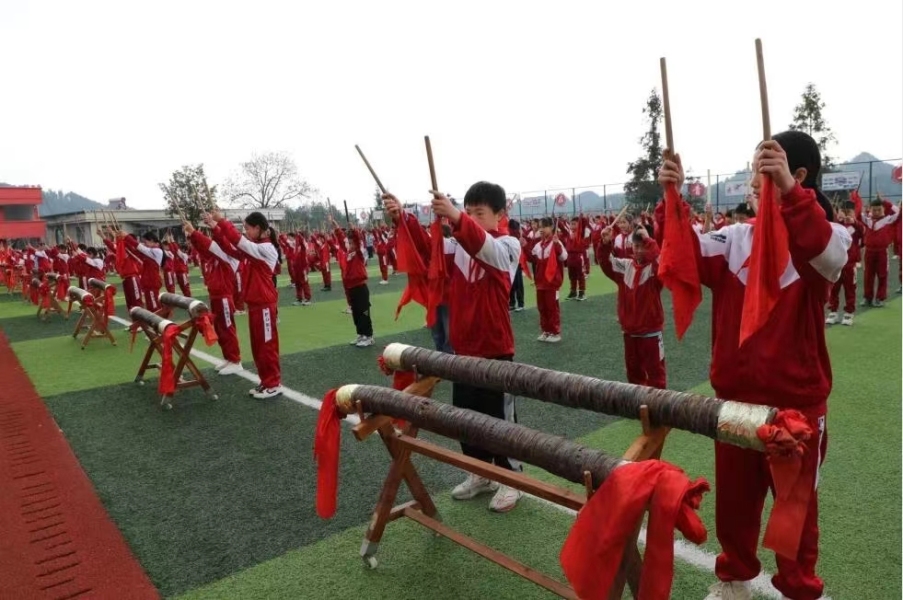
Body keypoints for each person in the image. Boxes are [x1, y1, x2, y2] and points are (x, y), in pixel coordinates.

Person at [657, 130, 851, 600]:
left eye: (761, 169)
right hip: (737, 404)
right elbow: (688, 256)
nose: (751, 180)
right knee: (736, 504)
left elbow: (831, 259)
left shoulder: (826, 233)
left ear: (797, 174)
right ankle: (735, 578)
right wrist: (673, 198)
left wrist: (789, 194)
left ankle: (801, 589)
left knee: (794, 511)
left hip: (797, 408)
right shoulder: (734, 239)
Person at [385, 182, 522, 512]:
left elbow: (484, 247)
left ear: (500, 215)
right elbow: (425, 249)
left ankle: (511, 479)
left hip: (495, 348)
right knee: (467, 419)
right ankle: (479, 473)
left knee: (499, 419)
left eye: (480, 213)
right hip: (463, 350)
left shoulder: (508, 245)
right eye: (469, 211)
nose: (473, 218)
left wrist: (458, 218)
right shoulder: (457, 245)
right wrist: (401, 217)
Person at [211, 211, 282, 400]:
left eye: (248, 228)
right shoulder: (254, 249)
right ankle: (265, 381)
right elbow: (231, 248)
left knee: (267, 346)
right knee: (258, 347)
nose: (245, 231)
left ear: (258, 228)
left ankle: (273, 383)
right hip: (256, 305)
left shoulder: (266, 248)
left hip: (265, 305)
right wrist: (215, 228)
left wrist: (222, 221)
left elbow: (239, 242)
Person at [598, 224, 665, 388]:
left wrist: (647, 239)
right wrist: (605, 244)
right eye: (636, 246)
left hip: (651, 332)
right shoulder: (626, 265)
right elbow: (607, 263)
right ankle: (639, 406)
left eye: (643, 246)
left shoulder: (655, 267)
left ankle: (659, 410)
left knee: (656, 374)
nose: (639, 250)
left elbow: (658, 258)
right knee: (633, 374)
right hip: (629, 332)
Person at [185, 219, 243, 376]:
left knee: (227, 328)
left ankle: (236, 360)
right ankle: (228, 358)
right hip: (216, 296)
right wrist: (193, 237)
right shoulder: (216, 257)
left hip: (224, 297)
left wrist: (194, 232)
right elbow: (204, 249)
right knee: (220, 328)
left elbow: (211, 246)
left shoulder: (229, 255)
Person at [331, 216, 373, 347]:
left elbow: (357, 238)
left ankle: (369, 336)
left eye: (352, 242)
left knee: (364, 312)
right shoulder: (348, 253)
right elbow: (342, 242)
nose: (350, 244)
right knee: (356, 313)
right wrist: (337, 227)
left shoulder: (360, 253)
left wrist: (353, 229)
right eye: (349, 243)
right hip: (351, 288)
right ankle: (360, 335)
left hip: (360, 287)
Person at [530, 217, 567, 342]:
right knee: (542, 307)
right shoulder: (538, 245)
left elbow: (563, 257)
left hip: (552, 282)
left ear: (551, 227)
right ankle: (545, 331)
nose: (541, 230)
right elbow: (532, 258)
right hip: (540, 282)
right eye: (540, 227)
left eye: (544, 227)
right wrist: (524, 245)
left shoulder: (557, 242)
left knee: (552, 307)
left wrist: (557, 245)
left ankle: (555, 332)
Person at [826, 201, 863, 326]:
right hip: (837, 263)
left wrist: (854, 222)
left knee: (850, 289)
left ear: (854, 212)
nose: (846, 214)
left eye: (849, 212)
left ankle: (849, 313)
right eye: (843, 211)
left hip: (849, 265)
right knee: (834, 289)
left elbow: (863, 233)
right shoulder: (836, 225)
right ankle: (833, 311)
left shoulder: (857, 226)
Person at [860, 196, 900, 307]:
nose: (876, 212)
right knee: (868, 275)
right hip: (869, 252)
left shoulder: (888, 219)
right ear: (870, 209)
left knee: (882, 275)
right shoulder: (867, 220)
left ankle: (880, 298)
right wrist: (855, 198)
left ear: (883, 209)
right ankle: (868, 298)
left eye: (879, 209)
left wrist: (885, 202)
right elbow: (857, 212)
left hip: (882, 252)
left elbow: (899, 212)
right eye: (874, 210)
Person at [507, 219, 526, 312]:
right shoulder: (513, 235)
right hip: (511, 263)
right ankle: (513, 303)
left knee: (517, 284)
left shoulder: (515, 235)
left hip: (516, 263)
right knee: (512, 284)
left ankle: (520, 303)